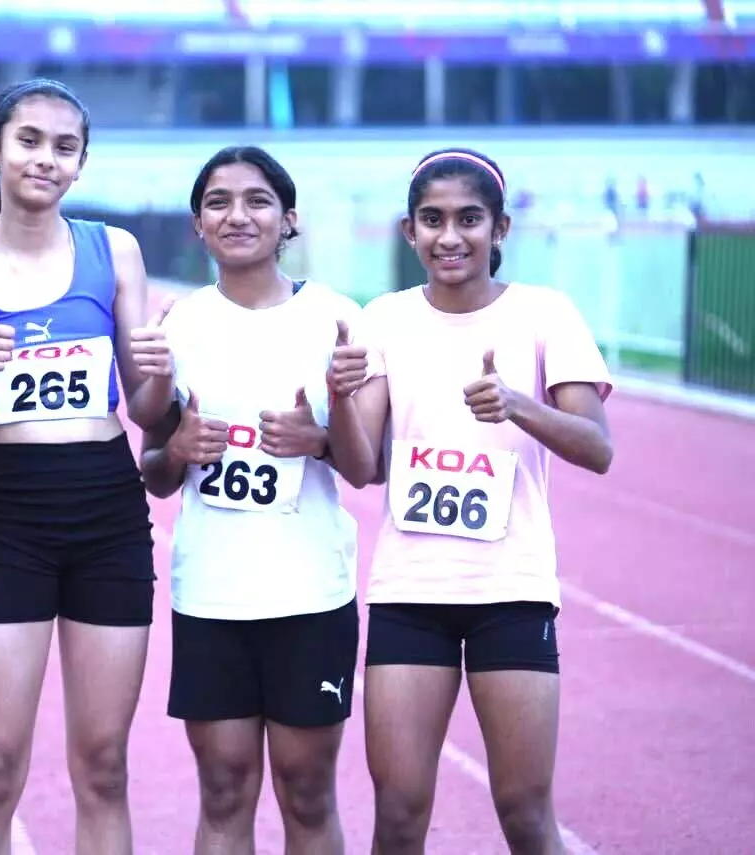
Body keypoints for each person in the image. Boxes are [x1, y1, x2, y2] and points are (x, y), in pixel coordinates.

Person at [0, 78, 173, 855]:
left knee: (103, 765)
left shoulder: (113, 250)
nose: (46, 160)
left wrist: (155, 367)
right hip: (9, 515)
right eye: (29, 141)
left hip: (107, 511)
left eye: (65, 147)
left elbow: (149, 408)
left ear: (81, 164)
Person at [341, 148, 615, 855]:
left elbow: (597, 447)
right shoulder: (386, 319)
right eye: (432, 220)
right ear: (409, 232)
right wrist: (341, 399)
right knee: (398, 813)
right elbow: (364, 466)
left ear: (500, 228)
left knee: (525, 812)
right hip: (410, 594)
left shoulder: (544, 314)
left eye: (469, 218)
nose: (450, 236)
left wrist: (519, 406)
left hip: (512, 592)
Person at [138, 145, 373, 855]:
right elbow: (152, 470)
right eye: (218, 201)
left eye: (257, 199)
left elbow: (366, 469)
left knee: (306, 791)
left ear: (288, 218)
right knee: (224, 790)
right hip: (212, 596)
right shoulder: (176, 325)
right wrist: (176, 450)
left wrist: (321, 436)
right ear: (198, 224)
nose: (237, 214)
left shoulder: (335, 317)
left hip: (309, 594)